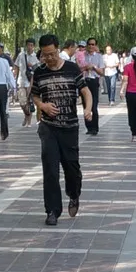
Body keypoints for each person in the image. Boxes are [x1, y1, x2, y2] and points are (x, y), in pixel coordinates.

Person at [31, 30, 92, 224]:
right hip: (48, 127)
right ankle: (52, 211)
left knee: (71, 168)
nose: (49, 58)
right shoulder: (39, 72)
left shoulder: (72, 68)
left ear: (58, 50)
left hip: (69, 127)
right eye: (45, 55)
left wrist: (88, 109)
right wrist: (42, 106)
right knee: (50, 169)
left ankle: (74, 194)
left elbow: (85, 91)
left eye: (52, 54)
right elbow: (35, 95)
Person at [79, 39, 104, 136]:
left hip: (94, 81)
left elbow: (101, 72)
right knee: (85, 105)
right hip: (84, 81)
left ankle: (95, 128)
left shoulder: (99, 56)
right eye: (89, 44)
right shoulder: (82, 55)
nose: (91, 46)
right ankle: (89, 127)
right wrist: (85, 68)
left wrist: (93, 67)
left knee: (94, 106)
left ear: (95, 45)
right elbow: (78, 69)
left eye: (93, 44)